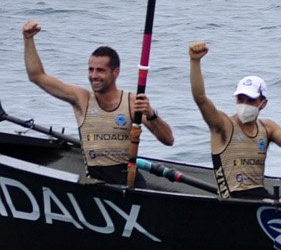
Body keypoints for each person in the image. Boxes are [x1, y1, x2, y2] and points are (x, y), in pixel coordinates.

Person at [21, 20, 174, 185]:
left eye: (100, 70)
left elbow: (168, 140)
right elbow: (37, 76)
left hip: (130, 185)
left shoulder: (132, 102)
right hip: (96, 184)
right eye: (90, 69)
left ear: (116, 72)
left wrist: (151, 114)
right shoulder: (81, 99)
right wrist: (28, 39)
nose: (93, 76)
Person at [188, 43, 281, 201]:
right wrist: (194, 62)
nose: (244, 104)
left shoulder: (267, 127)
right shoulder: (223, 124)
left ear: (263, 103)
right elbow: (201, 99)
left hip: (259, 195)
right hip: (232, 199)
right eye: (240, 98)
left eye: (251, 100)